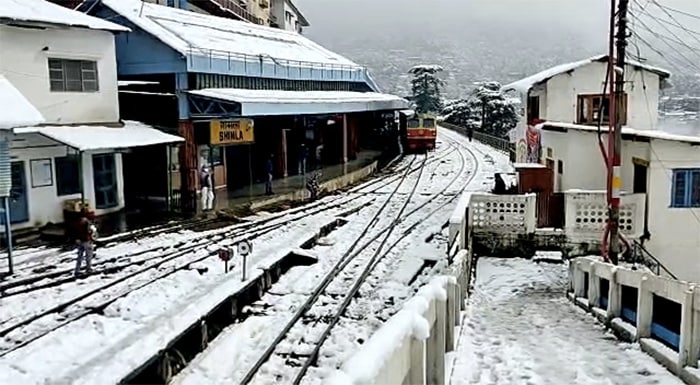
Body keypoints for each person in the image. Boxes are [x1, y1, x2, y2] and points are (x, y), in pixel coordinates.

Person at [74, 210, 97, 276]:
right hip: (86, 241)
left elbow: (74, 232)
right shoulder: (87, 223)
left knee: (79, 256)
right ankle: (88, 269)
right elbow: (91, 232)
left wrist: (77, 239)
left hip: (79, 241)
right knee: (88, 256)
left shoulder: (77, 223)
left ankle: (77, 270)